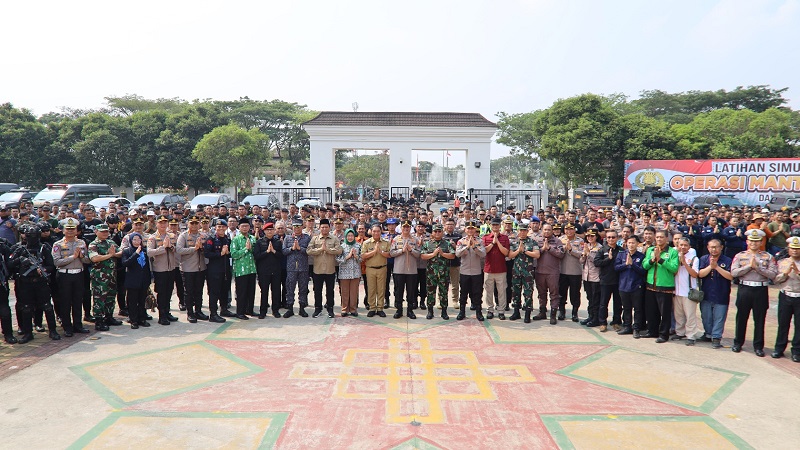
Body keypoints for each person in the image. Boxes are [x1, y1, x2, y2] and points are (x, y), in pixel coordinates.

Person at [9, 224, 60, 343]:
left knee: (47, 306)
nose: (32, 238)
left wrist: (43, 270)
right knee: (26, 308)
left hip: (40, 282)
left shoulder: (44, 248)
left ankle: (53, 330)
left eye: (35, 236)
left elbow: (51, 265)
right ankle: (27, 333)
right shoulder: (20, 249)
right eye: (29, 236)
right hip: (25, 283)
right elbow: (10, 263)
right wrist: (21, 260)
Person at [731, 229, 777, 356]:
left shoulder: (767, 256)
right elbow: (733, 272)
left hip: (760, 289)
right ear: (747, 241)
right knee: (741, 317)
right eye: (751, 240)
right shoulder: (740, 256)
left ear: (761, 242)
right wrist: (748, 267)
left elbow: (773, 274)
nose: (754, 243)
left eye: (756, 241)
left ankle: (758, 346)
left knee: (760, 319)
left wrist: (758, 268)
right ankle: (738, 343)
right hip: (745, 289)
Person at [51, 218, 91, 337]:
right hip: (64, 275)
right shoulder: (58, 244)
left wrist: (81, 256)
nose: (70, 231)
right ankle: (67, 327)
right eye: (67, 229)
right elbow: (56, 262)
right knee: (65, 301)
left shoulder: (81, 243)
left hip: (79, 274)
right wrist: (73, 257)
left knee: (78, 300)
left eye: (72, 229)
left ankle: (78, 325)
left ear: (76, 231)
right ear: (63, 231)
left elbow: (86, 260)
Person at [642, 230, 679, 343]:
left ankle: (664, 334)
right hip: (650, 285)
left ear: (667, 238)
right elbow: (644, 265)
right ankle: (652, 331)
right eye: (657, 237)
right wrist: (653, 259)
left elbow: (674, 268)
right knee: (651, 311)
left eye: (661, 237)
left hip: (665, 286)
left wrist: (661, 260)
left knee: (665, 313)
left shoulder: (672, 252)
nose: (658, 239)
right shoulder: (650, 250)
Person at [698, 238, 733, 348]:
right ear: (708, 248)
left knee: (719, 317)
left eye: (716, 247)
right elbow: (700, 274)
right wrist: (710, 267)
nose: (713, 249)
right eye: (711, 247)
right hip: (707, 292)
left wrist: (716, 267)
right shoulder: (704, 259)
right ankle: (708, 334)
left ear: (721, 247)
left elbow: (731, 276)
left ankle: (716, 337)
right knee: (706, 316)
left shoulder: (727, 260)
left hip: (721, 293)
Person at [88, 223, 122, 331]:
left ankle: (109, 317)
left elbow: (120, 252)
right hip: (99, 277)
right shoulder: (94, 244)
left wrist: (114, 254)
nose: (105, 233)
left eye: (106, 231)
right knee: (99, 298)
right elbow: (94, 258)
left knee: (111, 296)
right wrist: (109, 255)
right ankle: (99, 320)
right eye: (102, 231)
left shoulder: (110, 242)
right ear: (96, 232)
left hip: (112, 275)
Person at [306, 218, 342, 319]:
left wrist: (328, 250)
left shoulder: (334, 239)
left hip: (330, 269)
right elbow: (309, 251)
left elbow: (339, 250)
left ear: (329, 228)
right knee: (317, 290)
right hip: (317, 269)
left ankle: (330, 309)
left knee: (330, 291)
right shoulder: (315, 239)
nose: (324, 229)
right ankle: (318, 309)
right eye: (322, 227)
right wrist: (320, 249)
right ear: (319, 228)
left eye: (326, 227)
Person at [772, 236, 800, 362]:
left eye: (797, 249)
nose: (795, 251)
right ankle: (779, 348)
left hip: (799, 296)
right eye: (792, 248)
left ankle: (796, 351)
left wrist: (798, 273)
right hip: (786, 295)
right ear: (788, 249)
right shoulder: (782, 262)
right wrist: (786, 273)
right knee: (783, 324)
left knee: (799, 326)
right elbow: (776, 280)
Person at [148, 215, 179, 325]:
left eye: (165, 223)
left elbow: (176, 250)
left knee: (169, 291)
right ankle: (162, 316)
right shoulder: (153, 237)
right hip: (160, 269)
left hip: (171, 268)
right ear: (157, 224)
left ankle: (167, 312)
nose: (163, 225)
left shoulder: (171, 236)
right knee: (161, 293)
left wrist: (171, 247)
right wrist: (163, 248)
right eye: (160, 223)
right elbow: (149, 252)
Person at [176, 215, 208, 323]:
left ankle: (198, 311)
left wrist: (202, 248)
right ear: (188, 224)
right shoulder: (183, 236)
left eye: (196, 223)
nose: (194, 225)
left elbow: (207, 249)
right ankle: (190, 313)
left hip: (201, 267)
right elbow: (179, 250)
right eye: (192, 223)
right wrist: (194, 249)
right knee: (189, 292)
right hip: (188, 268)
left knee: (199, 291)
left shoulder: (203, 235)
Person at [421, 224, 455, 319]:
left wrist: (442, 254)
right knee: (430, 293)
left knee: (443, 292)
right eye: (435, 231)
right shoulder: (428, 243)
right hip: (431, 274)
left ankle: (444, 311)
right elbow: (423, 256)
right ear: (432, 233)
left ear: (442, 232)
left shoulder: (447, 244)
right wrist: (434, 254)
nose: (437, 233)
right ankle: (430, 311)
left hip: (444, 273)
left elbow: (452, 255)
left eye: (439, 231)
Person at [508, 223, 540, 322]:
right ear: (518, 231)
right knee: (515, 291)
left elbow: (537, 254)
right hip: (516, 271)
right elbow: (510, 255)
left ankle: (527, 313)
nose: (522, 232)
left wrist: (525, 251)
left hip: (528, 271)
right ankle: (516, 311)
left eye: (524, 230)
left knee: (528, 292)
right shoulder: (514, 242)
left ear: (527, 231)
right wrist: (518, 250)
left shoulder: (532, 242)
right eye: (520, 230)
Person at [614, 235, 646, 337]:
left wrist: (633, 265)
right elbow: (616, 268)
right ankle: (627, 327)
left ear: (637, 244)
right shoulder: (622, 254)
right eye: (629, 243)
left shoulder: (641, 256)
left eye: (633, 243)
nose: (631, 245)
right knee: (626, 308)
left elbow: (643, 271)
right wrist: (626, 264)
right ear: (626, 244)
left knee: (637, 308)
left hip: (636, 286)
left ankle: (636, 328)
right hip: (623, 286)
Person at [455, 220, 486, 321]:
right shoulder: (461, 241)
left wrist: (474, 247)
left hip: (476, 271)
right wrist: (467, 247)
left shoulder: (480, 241)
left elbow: (483, 254)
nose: (470, 230)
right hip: (464, 271)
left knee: (477, 293)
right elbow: (457, 254)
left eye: (472, 228)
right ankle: (462, 311)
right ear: (465, 229)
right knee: (463, 292)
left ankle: (479, 312)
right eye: (469, 228)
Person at [672, 237, 701, 345]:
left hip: (689, 291)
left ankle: (691, 335)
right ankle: (680, 332)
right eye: (681, 245)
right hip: (677, 290)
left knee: (690, 315)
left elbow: (694, 274)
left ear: (689, 247)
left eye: (685, 245)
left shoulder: (694, 258)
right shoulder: (674, 256)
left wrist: (684, 263)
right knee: (678, 314)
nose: (683, 247)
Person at [389, 220, 420, 319]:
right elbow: (391, 253)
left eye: (408, 227)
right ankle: (399, 310)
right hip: (399, 270)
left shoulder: (415, 240)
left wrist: (411, 250)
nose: (406, 229)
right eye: (404, 227)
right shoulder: (396, 239)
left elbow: (419, 254)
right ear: (401, 227)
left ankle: (410, 310)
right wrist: (401, 251)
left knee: (411, 292)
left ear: (410, 227)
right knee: (399, 291)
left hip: (411, 270)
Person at [120, 232, 151, 329]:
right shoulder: (127, 251)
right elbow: (125, 263)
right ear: (131, 241)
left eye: (139, 239)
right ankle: (133, 320)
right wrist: (136, 254)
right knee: (132, 301)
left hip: (143, 280)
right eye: (134, 240)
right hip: (132, 280)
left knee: (142, 300)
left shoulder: (145, 251)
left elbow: (147, 266)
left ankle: (142, 318)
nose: (137, 242)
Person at [203, 219, 231, 322]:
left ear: (226, 228)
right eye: (219, 227)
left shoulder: (227, 239)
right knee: (214, 292)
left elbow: (230, 253)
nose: (221, 229)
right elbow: (207, 254)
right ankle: (213, 314)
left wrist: (227, 253)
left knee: (225, 290)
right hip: (214, 270)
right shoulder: (211, 239)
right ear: (215, 228)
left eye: (223, 227)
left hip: (225, 269)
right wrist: (220, 254)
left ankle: (224, 309)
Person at [253, 222, 283, 319]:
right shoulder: (259, 242)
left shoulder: (278, 242)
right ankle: (263, 311)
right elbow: (256, 256)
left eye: (271, 230)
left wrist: (274, 251)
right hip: (263, 271)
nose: (269, 232)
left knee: (276, 291)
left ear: (274, 231)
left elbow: (281, 256)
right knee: (264, 292)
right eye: (267, 230)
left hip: (276, 271)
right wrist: (266, 252)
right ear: (264, 231)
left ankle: (275, 310)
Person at [230, 218, 258, 320]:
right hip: (241, 270)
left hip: (252, 269)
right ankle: (240, 312)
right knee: (241, 292)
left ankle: (249, 310)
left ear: (249, 227)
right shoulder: (236, 239)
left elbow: (256, 252)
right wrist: (246, 249)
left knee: (251, 291)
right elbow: (234, 254)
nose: (245, 228)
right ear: (239, 227)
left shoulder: (252, 238)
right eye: (242, 226)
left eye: (246, 226)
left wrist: (251, 249)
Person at [283, 219, 311, 318]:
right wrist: (292, 249)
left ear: (302, 227)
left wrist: (300, 248)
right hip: (291, 268)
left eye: (298, 226)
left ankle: (302, 308)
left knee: (303, 288)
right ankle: (290, 308)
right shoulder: (288, 238)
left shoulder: (307, 238)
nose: (296, 228)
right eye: (294, 226)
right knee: (290, 288)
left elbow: (310, 251)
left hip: (303, 267)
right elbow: (284, 251)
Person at [482, 218, 510, 320]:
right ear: (491, 226)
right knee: (488, 291)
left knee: (501, 291)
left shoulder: (505, 238)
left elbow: (506, 252)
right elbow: (483, 252)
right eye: (493, 225)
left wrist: (497, 242)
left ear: (500, 226)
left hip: (501, 269)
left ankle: (501, 311)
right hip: (488, 269)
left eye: (497, 225)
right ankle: (490, 310)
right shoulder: (485, 237)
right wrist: (492, 243)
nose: (495, 227)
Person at [594, 229, 621, 331]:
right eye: (609, 237)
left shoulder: (621, 250)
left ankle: (616, 322)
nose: (611, 239)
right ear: (606, 238)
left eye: (613, 237)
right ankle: (602, 322)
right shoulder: (602, 250)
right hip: (605, 280)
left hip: (618, 281)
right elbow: (596, 263)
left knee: (618, 303)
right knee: (603, 303)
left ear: (617, 238)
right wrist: (608, 259)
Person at [361, 224, 391, 317]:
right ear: (371, 231)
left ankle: (380, 308)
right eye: (374, 231)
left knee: (381, 289)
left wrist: (381, 252)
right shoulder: (367, 243)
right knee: (371, 289)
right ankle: (372, 308)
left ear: (381, 231)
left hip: (382, 268)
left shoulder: (386, 242)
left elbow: (390, 254)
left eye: (378, 231)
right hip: (370, 269)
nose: (376, 233)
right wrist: (374, 251)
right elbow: (363, 256)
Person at [337, 228, 362, 317]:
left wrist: (355, 256)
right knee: (345, 292)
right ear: (346, 237)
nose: (350, 237)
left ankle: (353, 309)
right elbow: (337, 259)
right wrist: (347, 257)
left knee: (354, 292)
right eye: (348, 236)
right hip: (344, 273)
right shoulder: (342, 246)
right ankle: (344, 309)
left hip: (355, 273)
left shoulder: (358, 246)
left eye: (352, 236)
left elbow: (361, 259)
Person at [580, 229, 602, 327]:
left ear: (596, 236)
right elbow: (581, 261)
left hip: (596, 277)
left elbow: (598, 263)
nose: (590, 238)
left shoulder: (600, 248)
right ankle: (590, 316)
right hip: (586, 276)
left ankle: (596, 318)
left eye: (592, 236)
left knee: (595, 298)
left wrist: (589, 254)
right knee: (589, 298)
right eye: (588, 236)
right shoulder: (586, 246)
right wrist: (584, 255)